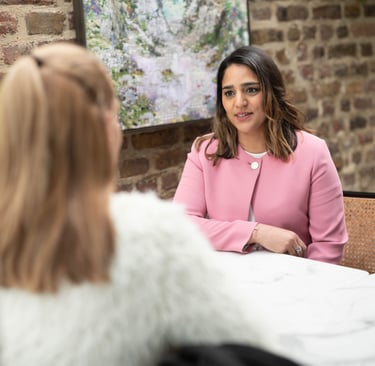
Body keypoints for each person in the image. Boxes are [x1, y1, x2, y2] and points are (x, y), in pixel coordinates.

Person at [0, 42, 284, 366]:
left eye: (250, 90)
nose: (239, 103)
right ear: (107, 125)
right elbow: (253, 347)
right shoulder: (148, 235)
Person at [174, 45, 348, 265]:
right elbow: (180, 225)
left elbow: (329, 248)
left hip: (295, 286)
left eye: (251, 90)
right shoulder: (205, 152)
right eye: (229, 93)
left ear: (271, 94)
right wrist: (257, 232)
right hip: (224, 284)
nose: (239, 103)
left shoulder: (313, 152)